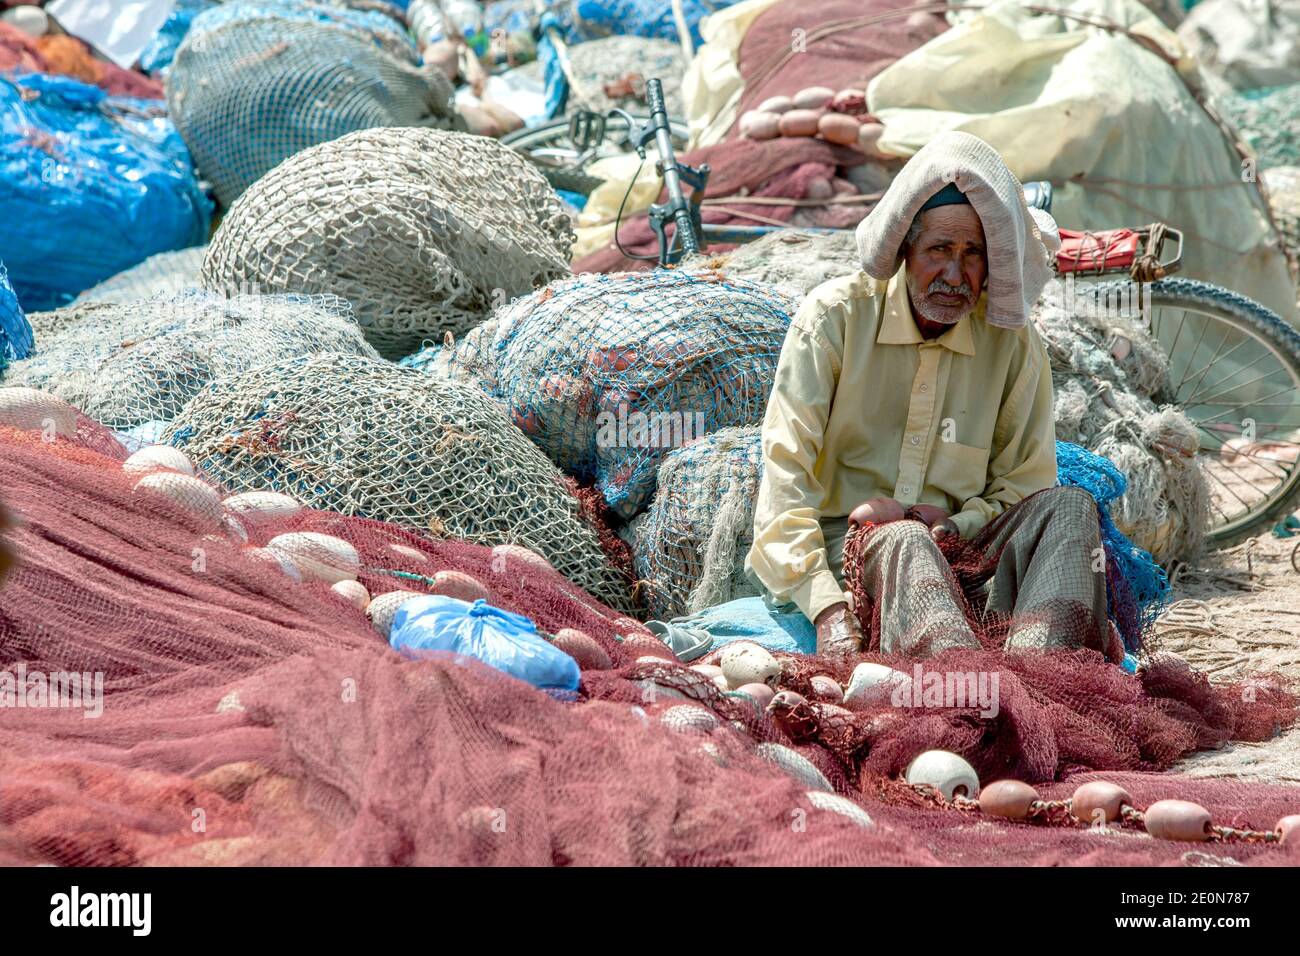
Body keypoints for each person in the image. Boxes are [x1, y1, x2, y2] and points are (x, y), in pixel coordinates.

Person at [745, 131, 1108, 657]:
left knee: (1070, 508)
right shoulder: (835, 320)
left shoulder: (1010, 340)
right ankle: (954, 691)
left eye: (973, 255)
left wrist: (955, 523)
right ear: (905, 250)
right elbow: (785, 485)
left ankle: (1037, 677)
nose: (955, 275)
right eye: (939, 249)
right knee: (899, 539)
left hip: (963, 551)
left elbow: (1024, 484)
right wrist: (826, 609)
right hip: (850, 554)